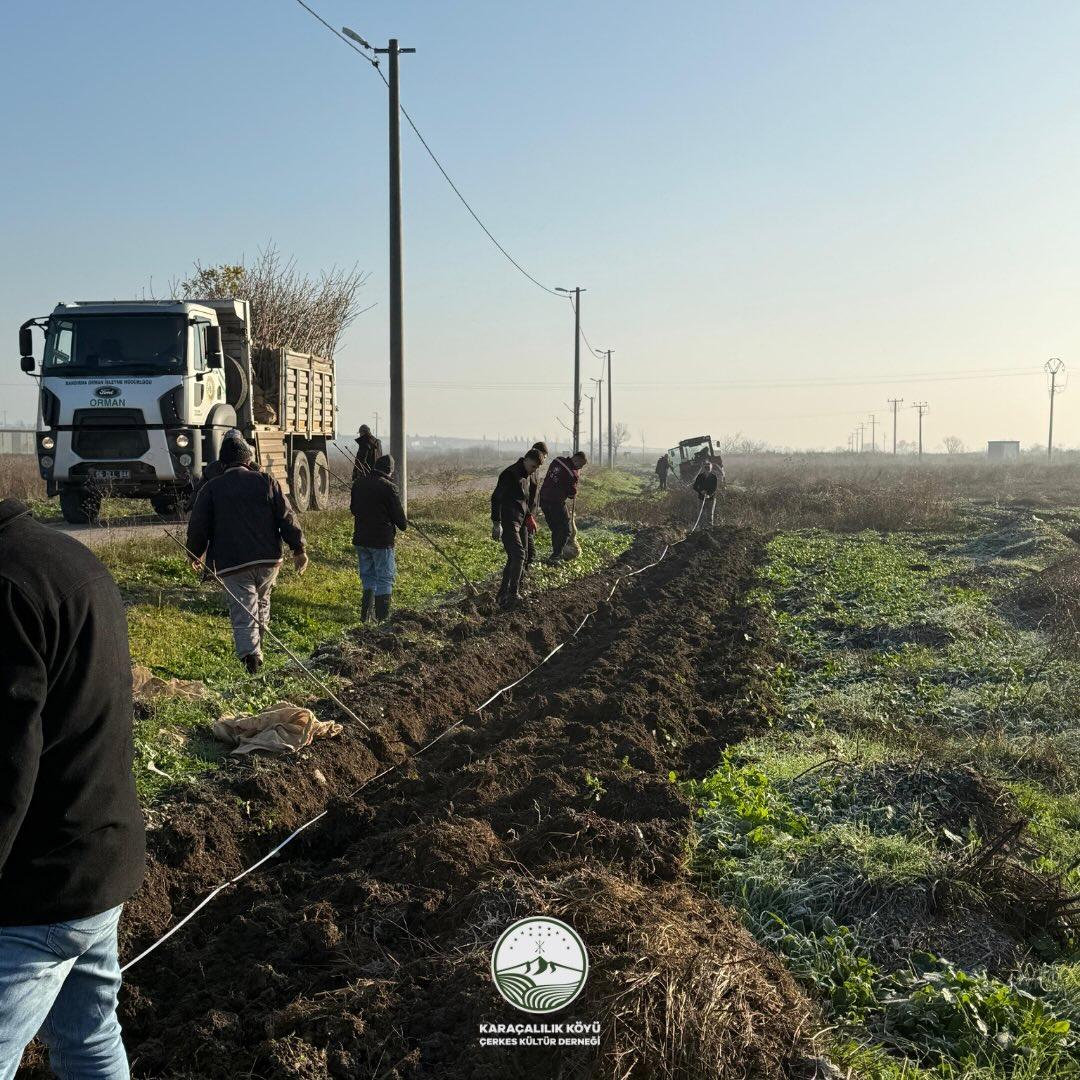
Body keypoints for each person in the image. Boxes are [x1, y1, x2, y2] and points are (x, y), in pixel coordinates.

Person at [0, 498, 146, 1077]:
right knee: (89, 1039)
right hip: (98, 857)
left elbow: (5, 769)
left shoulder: (6, 589)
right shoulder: (66, 557)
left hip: (37, 895)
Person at [187, 431, 308, 673]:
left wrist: (194, 553)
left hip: (234, 563)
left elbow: (198, 525)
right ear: (248, 459)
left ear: (222, 463)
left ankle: (251, 660)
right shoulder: (266, 481)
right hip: (269, 560)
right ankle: (258, 648)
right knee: (262, 604)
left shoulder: (212, 488)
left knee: (243, 610)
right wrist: (298, 549)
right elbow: (287, 517)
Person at [350, 454, 408, 623]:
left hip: (361, 538)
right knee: (385, 577)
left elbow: (354, 509)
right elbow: (401, 522)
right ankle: (382, 620)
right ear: (389, 471)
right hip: (382, 541)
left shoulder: (358, 484)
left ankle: (366, 617)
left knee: (368, 577)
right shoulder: (389, 488)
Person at [490, 448, 543, 608]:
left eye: (536, 468)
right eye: (533, 466)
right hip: (508, 520)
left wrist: (529, 517)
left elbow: (524, 501)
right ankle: (513, 594)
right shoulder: (510, 474)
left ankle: (503, 594)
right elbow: (496, 498)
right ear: (526, 460)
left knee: (521, 556)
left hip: (521, 520)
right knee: (518, 554)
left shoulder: (526, 476)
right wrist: (496, 523)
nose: (534, 470)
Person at [540, 450, 587, 560]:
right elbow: (571, 494)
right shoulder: (572, 474)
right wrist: (575, 488)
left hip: (543, 500)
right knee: (566, 529)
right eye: (581, 465)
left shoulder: (557, 460)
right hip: (555, 502)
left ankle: (555, 553)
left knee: (556, 529)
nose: (580, 468)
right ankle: (557, 555)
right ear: (577, 459)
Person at [523, 441, 549, 572]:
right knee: (528, 551)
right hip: (524, 515)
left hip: (529, 514)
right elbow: (524, 496)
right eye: (544, 456)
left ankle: (523, 572)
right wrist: (528, 515)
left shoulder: (535, 469)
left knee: (527, 547)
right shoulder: (528, 470)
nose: (544, 459)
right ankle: (523, 574)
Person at [692, 461, 720, 526]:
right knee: (700, 514)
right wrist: (701, 491)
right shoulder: (700, 476)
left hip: (711, 499)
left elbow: (714, 488)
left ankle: (710, 528)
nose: (707, 468)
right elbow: (695, 487)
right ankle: (701, 529)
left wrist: (709, 495)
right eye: (706, 467)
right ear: (703, 468)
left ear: (711, 468)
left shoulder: (714, 477)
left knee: (710, 514)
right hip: (701, 498)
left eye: (708, 466)